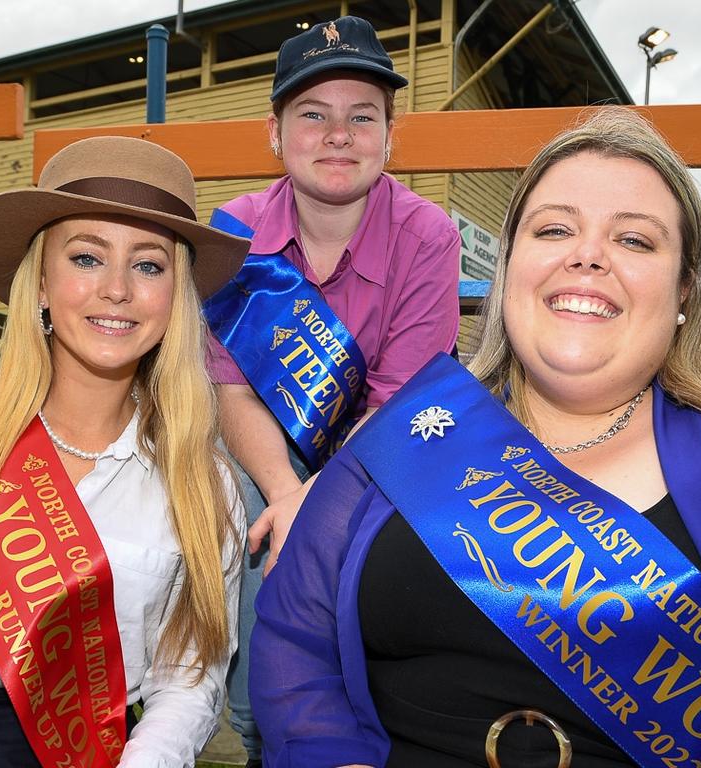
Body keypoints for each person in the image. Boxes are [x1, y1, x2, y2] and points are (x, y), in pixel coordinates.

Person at [248, 108, 701, 768]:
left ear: (685, 289)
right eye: (554, 229)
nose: (587, 255)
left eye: (635, 241)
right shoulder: (414, 427)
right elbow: (294, 637)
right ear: (509, 269)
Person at [0, 136, 252, 767]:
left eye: (149, 265)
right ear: (40, 283)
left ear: (175, 297)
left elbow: (189, 677)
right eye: (87, 258)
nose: (118, 289)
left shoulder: (203, 480)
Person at [203, 15, 460, 765]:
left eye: (362, 117)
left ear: (390, 135)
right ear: (275, 133)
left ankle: (373, 718)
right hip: (259, 448)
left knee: (372, 527)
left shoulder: (428, 235)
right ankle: (260, 728)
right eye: (312, 114)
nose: (338, 134)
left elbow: (393, 402)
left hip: (381, 446)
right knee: (247, 512)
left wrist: (314, 498)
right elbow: (228, 387)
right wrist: (287, 492)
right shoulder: (237, 231)